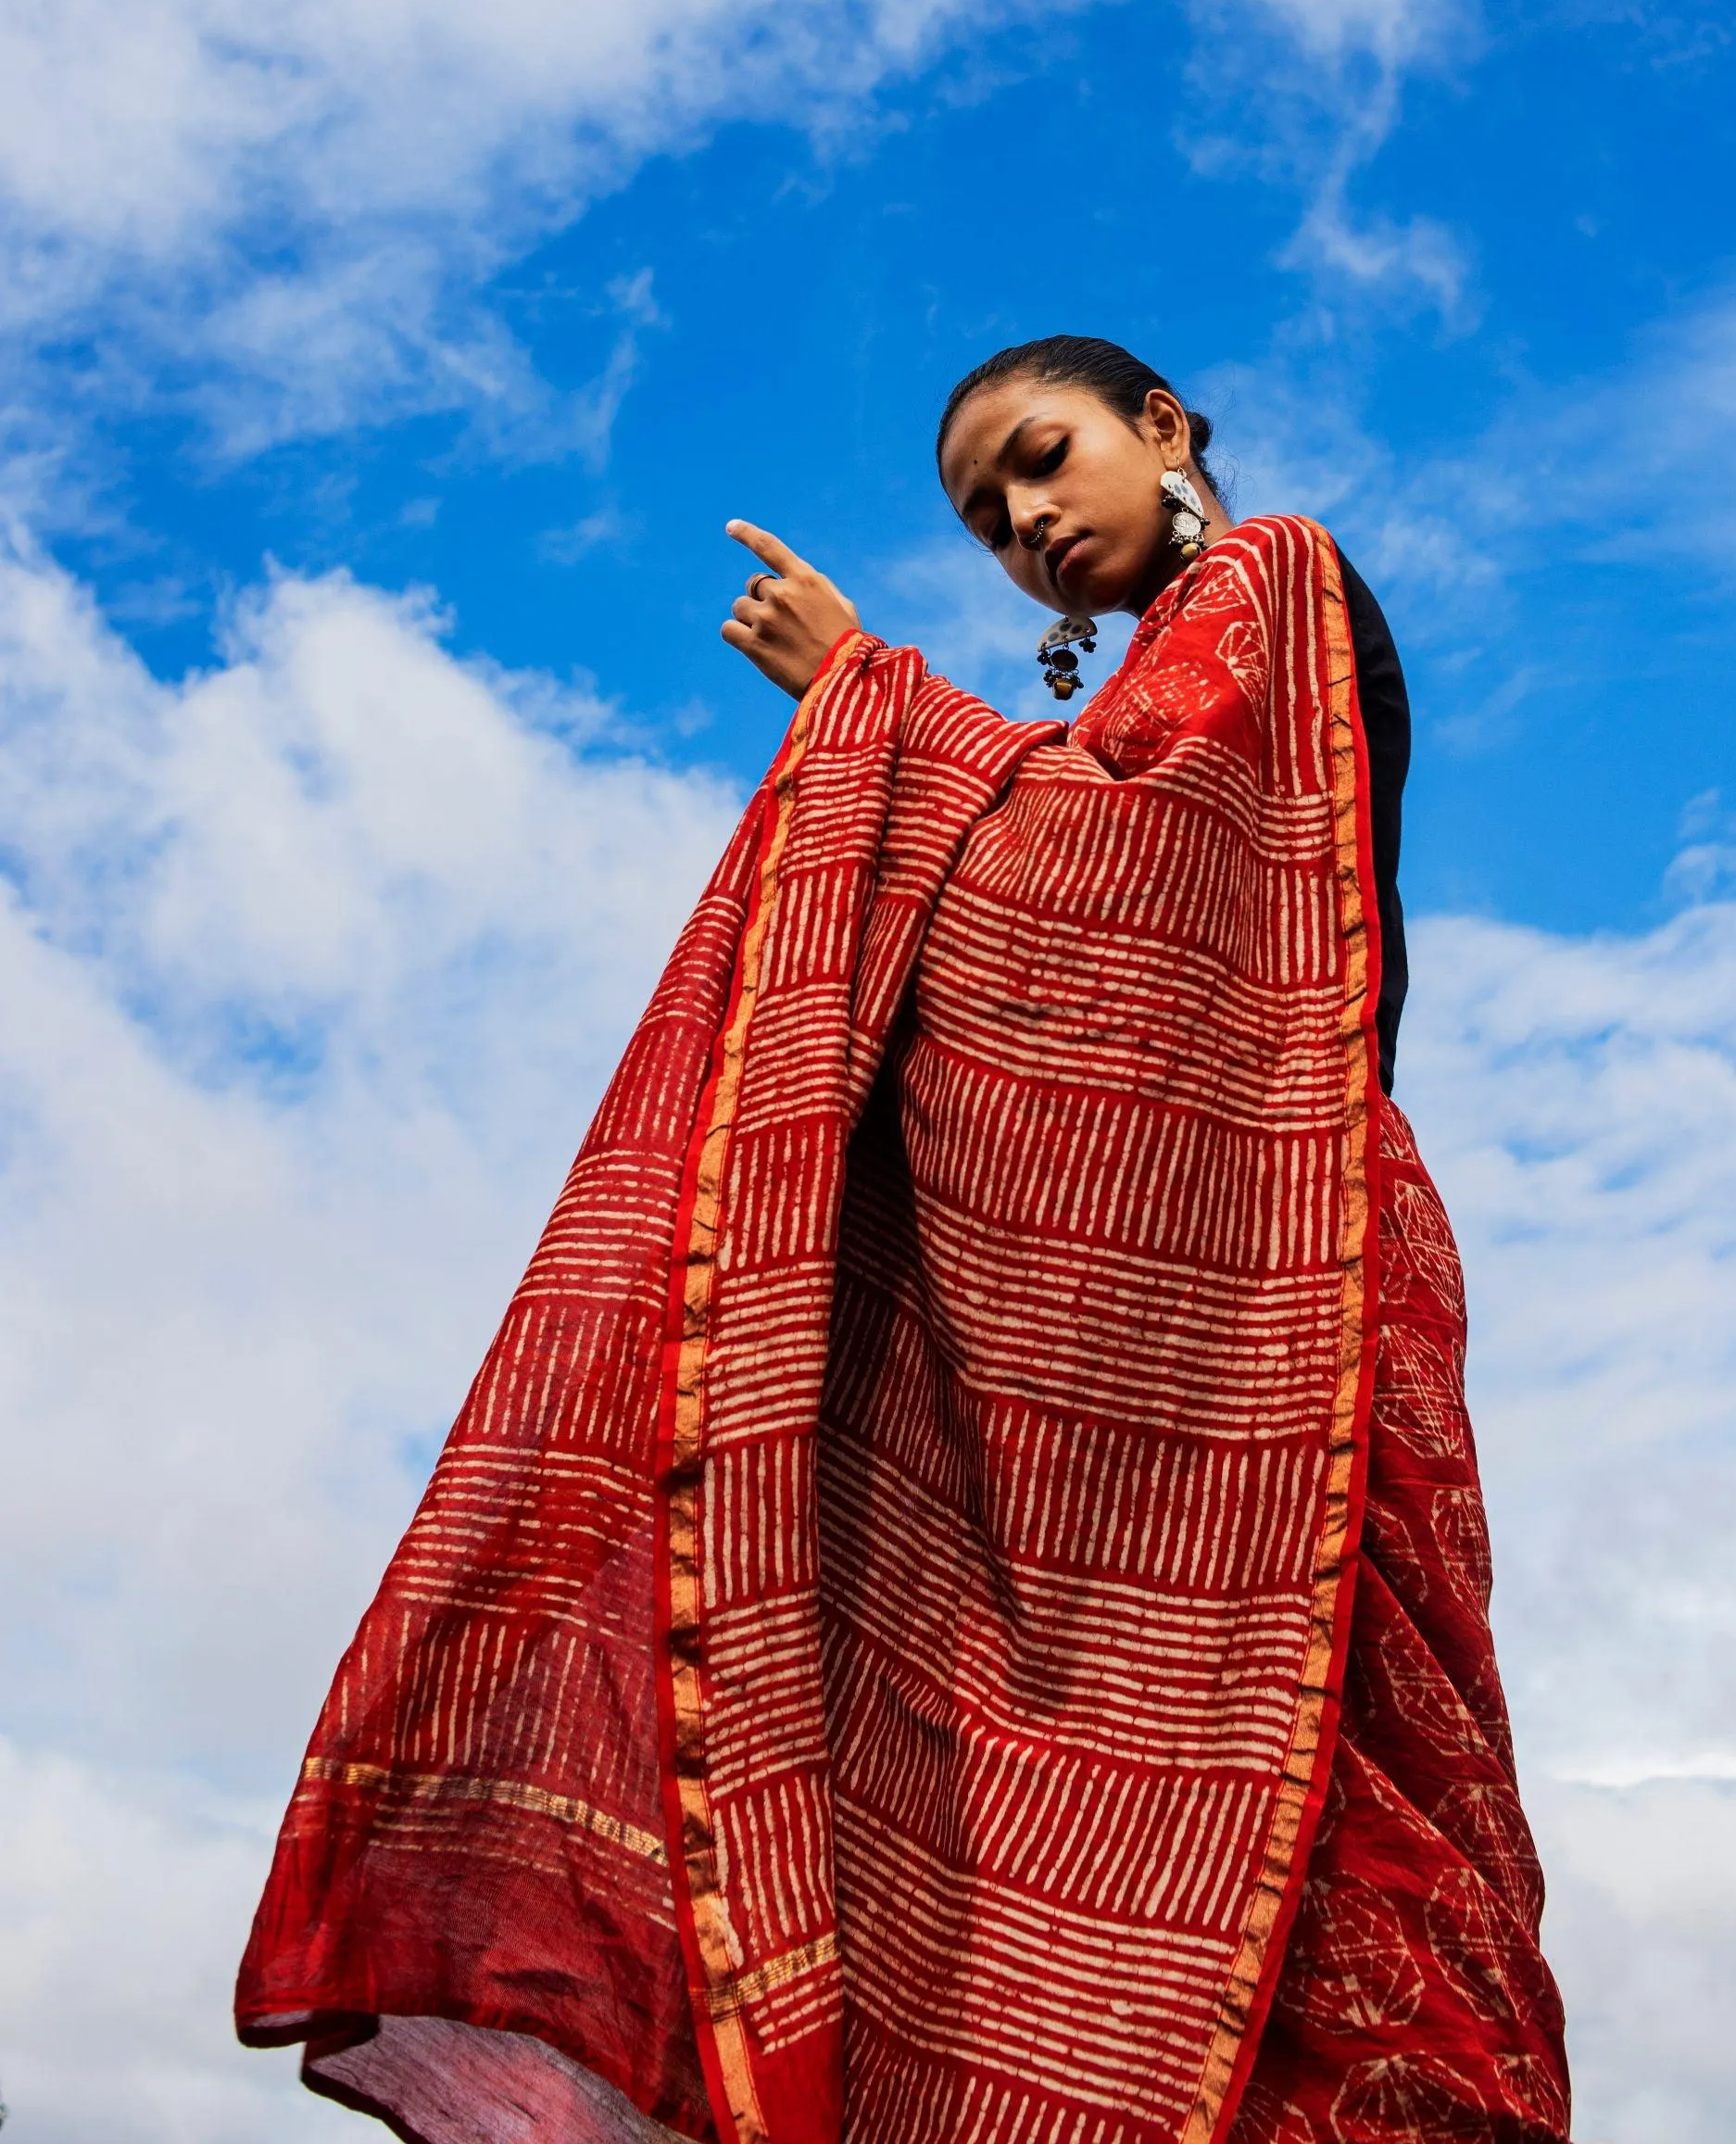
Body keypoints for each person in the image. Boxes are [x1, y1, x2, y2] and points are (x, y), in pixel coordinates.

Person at [237, 337, 1569, 2144]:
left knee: (1340, 1778)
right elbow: (1061, 875)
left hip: (1294, 1252)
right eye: (986, 518)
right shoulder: (1101, 709)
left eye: (1041, 461)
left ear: (1160, 427)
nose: (1023, 524)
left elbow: (1141, 880)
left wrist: (868, 695)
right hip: (1169, 1271)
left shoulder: (1271, 578)